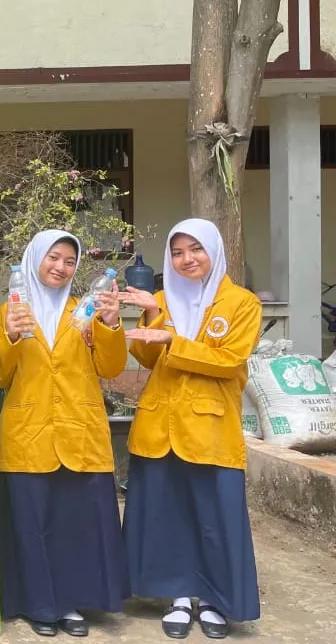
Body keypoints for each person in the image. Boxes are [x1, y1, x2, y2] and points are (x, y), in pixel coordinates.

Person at [118, 219, 261, 640]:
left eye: (195, 249)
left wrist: (172, 340)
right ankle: (179, 594)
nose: (186, 260)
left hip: (211, 427)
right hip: (160, 425)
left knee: (215, 517)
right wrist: (151, 315)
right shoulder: (161, 298)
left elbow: (229, 359)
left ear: (214, 251)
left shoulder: (241, 303)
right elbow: (146, 358)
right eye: (177, 252)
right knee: (169, 515)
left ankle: (215, 599)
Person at [0, 229, 129, 638]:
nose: (60, 267)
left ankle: (72, 601)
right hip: (28, 431)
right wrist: (13, 335)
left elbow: (111, 368)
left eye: (69, 261)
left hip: (79, 430)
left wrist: (110, 322)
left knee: (76, 522)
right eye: (53, 257)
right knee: (33, 523)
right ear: (35, 258)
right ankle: (39, 604)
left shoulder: (84, 310)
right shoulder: (7, 312)